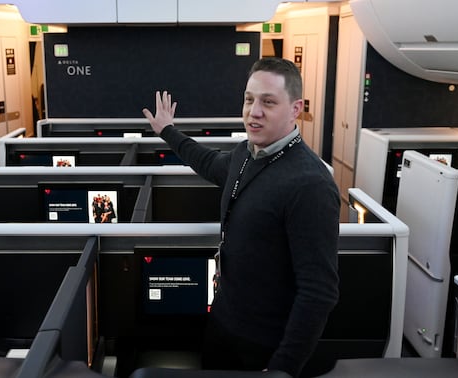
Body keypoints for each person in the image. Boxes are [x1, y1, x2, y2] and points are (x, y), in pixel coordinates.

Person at [142, 57, 340, 378]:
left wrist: (282, 369)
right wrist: (168, 131)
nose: (253, 111)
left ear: (296, 109)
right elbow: (207, 162)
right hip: (223, 322)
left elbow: (319, 292)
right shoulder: (247, 154)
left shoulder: (311, 185)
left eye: (268, 102)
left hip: (264, 344)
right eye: (249, 99)